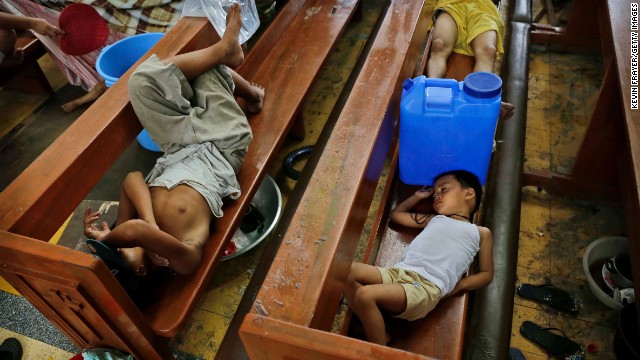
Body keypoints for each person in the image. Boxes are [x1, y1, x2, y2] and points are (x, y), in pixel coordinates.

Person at [82, 4, 265, 276]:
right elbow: (136, 232)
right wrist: (109, 240)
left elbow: (132, 179)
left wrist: (147, 224)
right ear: (141, 270)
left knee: (142, 81)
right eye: (122, 249)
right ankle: (252, 94)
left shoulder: (135, 223)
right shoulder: (183, 259)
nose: (124, 240)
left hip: (178, 146)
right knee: (205, 71)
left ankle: (225, 53)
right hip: (221, 146)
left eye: (119, 245)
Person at [344, 170, 494, 345]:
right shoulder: (434, 219)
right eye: (435, 193)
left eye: (443, 189)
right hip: (399, 273)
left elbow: (486, 274)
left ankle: (379, 346)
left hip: (425, 287)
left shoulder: (481, 233)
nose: (436, 196)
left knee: (364, 294)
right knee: (342, 270)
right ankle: (372, 318)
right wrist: (417, 197)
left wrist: (459, 285)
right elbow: (396, 215)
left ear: (468, 193)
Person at [427, 0, 515, 120]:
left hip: (483, 7)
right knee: (439, 44)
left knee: (488, 50)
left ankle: (484, 99)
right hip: (452, 5)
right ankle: (432, 94)